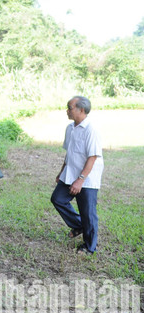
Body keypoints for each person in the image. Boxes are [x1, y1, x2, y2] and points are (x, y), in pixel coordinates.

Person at [51, 96, 104, 254]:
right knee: (58, 199)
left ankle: (89, 246)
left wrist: (80, 180)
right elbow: (70, 153)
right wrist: (61, 172)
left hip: (86, 178)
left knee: (88, 212)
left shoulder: (91, 130)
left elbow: (92, 157)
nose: (67, 110)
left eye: (70, 107)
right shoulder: (70, 128)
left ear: (81, 110)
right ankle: (79, 225)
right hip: (70, 173)